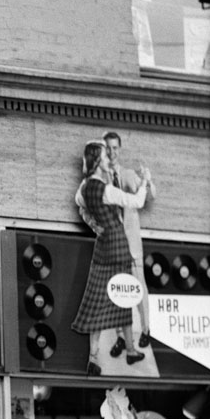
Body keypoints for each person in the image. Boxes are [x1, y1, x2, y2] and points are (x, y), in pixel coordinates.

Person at [72, 139, 150, 374]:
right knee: (123, 299)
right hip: (117, 246)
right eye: (106, 156)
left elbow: (80, 206)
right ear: (97, 161)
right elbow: (137, 201)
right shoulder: (105, 189)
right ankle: (130, 350)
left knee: (99, 302)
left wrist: (93, 224)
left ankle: (97, 356)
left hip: (103, 246)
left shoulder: (85, 187)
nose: (109, 159)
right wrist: (145, 181)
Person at [104, 130, 155, 349]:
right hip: (113, 244)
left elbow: (148, 196)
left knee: (139, 286)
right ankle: (121, 337)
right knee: (117, 290)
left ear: (119, 149)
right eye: (108, 148)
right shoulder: (101, 178)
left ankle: (146, 329)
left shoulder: (127, 174)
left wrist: (148, 180)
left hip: (132, 244)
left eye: (115, 148)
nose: (112, 152)